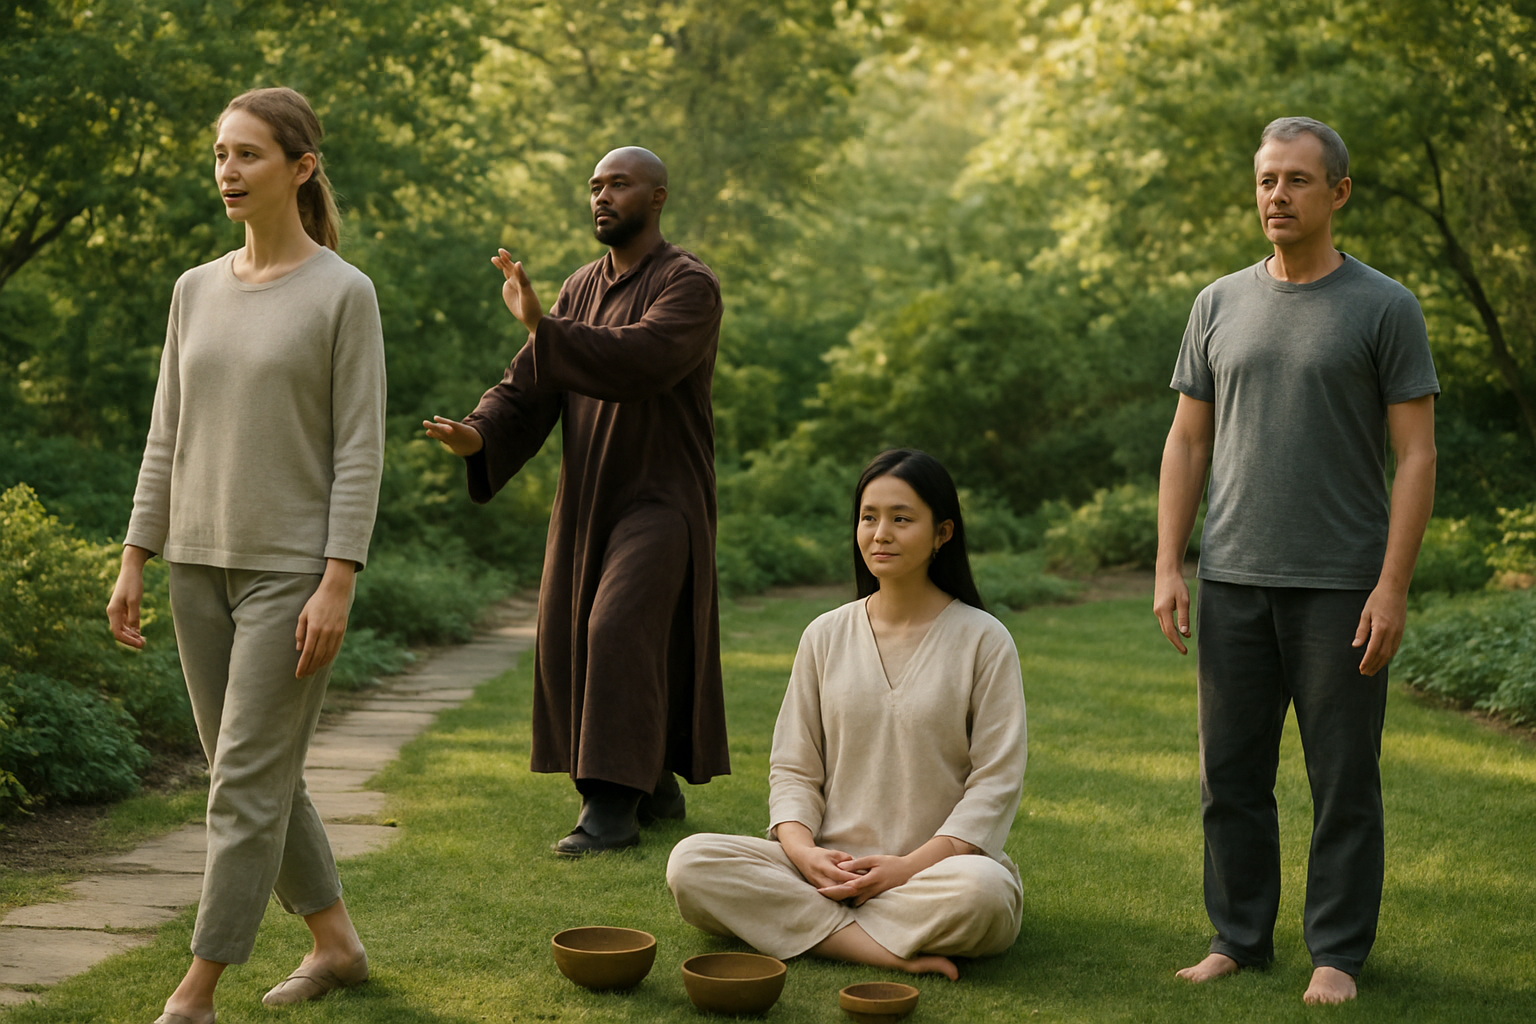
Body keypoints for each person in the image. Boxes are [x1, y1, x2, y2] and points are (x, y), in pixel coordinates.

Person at [106, 87, 385, 1024]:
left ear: (301, 168)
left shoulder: (343, 293)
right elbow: (165, 433)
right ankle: (337, 943)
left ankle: (197, 990)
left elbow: (360, 446)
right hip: (195, 565)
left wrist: (338, 575)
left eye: (248, 155)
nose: (227, 171)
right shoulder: (195, 289)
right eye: (221, 154)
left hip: (291, 573)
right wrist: (137, 553)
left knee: (241, 784)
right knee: (254, 773)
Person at [1153, 116, 1438, 1006]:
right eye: (1267, 180)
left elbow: (1418, 454)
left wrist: (1392, 586)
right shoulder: (1217, 303)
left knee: (1342, 778)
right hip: (1232, 576)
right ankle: (1238, 937)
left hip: (1340, 586)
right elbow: (1187, 441)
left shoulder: (1385, 307)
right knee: (1229, 776)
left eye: (1297, 181)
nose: (1277, 196)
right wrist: (1169, 563)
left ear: (1338, 193)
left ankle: (1338, 954)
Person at [424, 146, 727, 856]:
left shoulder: (690, 285)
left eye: (618, 184)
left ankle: (608, 812)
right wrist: (479, 432)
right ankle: (651, 779)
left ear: (656, 197)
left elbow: (639, 359)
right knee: (580, 631)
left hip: (662, 496)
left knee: (617, 626)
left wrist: (542, 327)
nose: (601, 196)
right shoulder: (579, 286)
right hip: (591, 494)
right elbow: (529, 386)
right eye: (594, 185)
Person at [666, 449, 1027, 980]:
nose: (880, 533)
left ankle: (803, 927)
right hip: (824, 869)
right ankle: (874, 947)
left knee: (985, 895)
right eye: (868, 517)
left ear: (943, 533)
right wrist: (805, 853)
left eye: (902, 519)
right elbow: (794, 769)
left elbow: (994, 786)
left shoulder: (984, 640)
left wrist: (904, 868)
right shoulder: (825, 635)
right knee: (692, 863)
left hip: (932, 871)